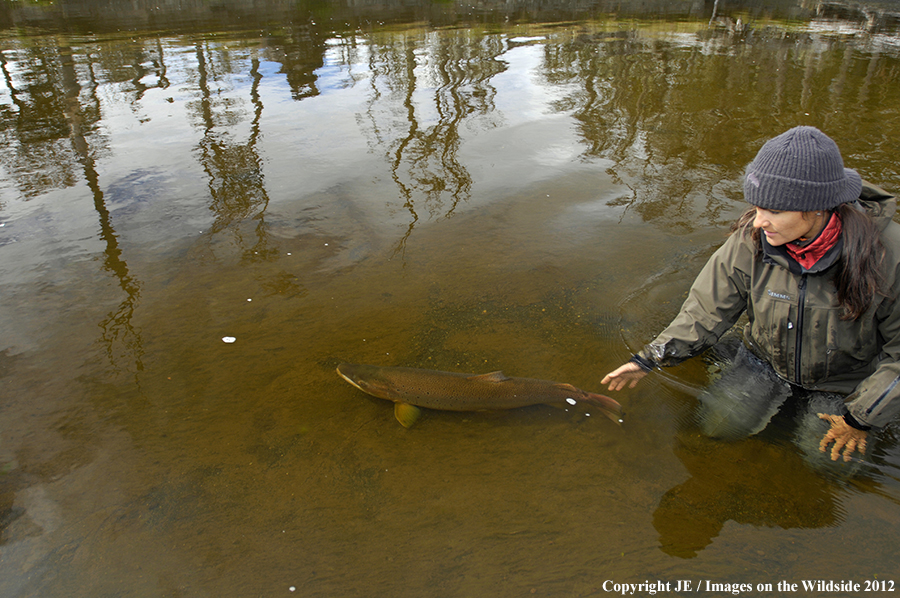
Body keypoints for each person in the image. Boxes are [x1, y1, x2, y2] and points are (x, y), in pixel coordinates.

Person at [602, 126, 900, 463]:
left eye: (774, 211)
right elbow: (705, 310)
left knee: (826, 464)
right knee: (717, 427)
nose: (759, 223)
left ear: (817, 207)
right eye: (757, 207)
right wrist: (650, 358)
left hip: (844, 382)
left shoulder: (890, 254)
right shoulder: (752, 240)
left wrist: (862, 417)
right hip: (763, 361)